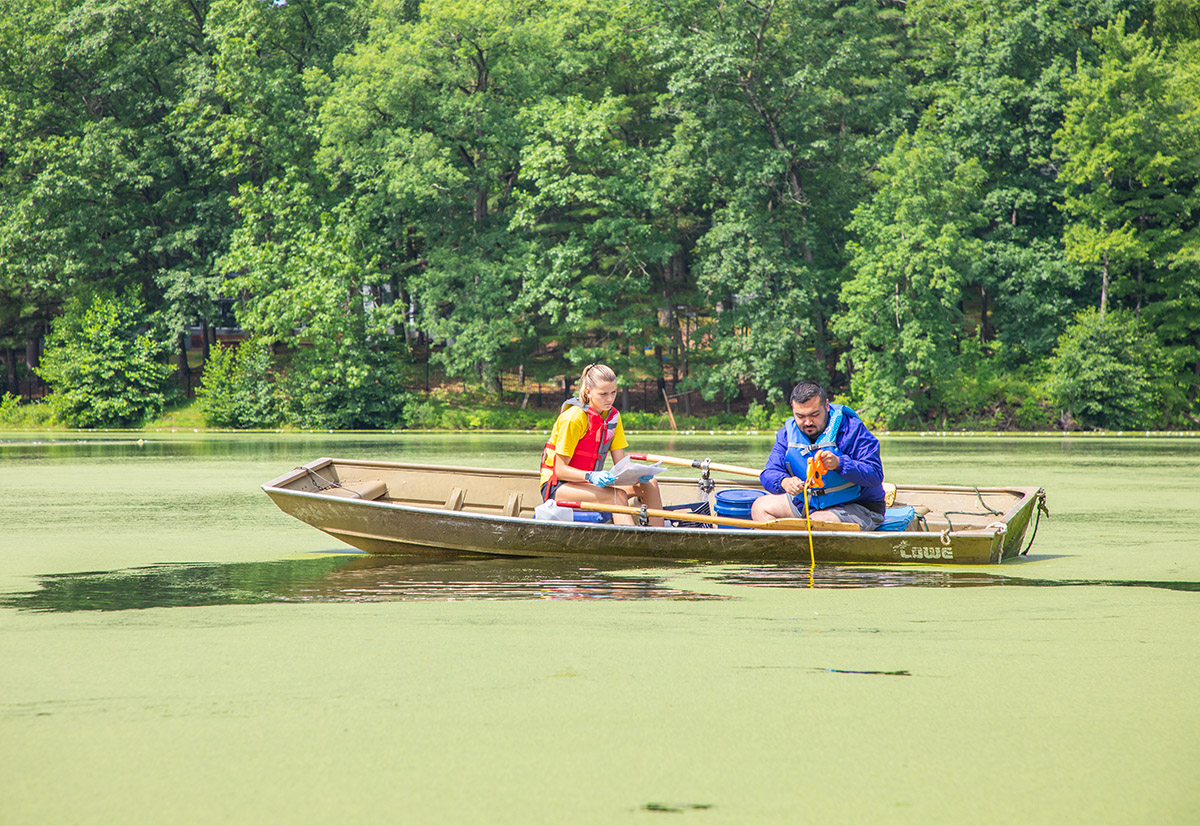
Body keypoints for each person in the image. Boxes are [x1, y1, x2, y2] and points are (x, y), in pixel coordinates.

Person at [539, 363, 664, 527]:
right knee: (617, 496)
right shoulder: (574, 418)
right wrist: (591, 476)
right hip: (558, 486)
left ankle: (658, 542)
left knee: (650, 483)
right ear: (588, 392)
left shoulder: (613, 417)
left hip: (590, 483)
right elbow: (560, 470)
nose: (610, 399)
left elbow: (620, 465)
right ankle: (633, 546)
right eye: (603, 394)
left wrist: (636, 475)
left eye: (613, 393)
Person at [750, 381, 886, 530]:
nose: (808, 422)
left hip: (859, 505)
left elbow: (875, 474)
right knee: (759, 508)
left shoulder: (853, 430)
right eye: (800, 416)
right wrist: (784, 482)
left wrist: (840, 464)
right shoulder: (786, 435)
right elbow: (769, 473)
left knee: (816, 522)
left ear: (826, 406)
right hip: (807, 503)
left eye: (814, 415)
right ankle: (787, 548)